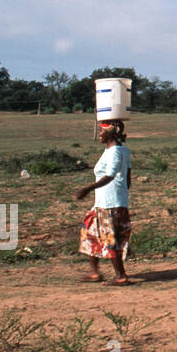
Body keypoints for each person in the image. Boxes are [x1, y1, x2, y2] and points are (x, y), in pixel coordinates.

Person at [75, 119, 132, 286]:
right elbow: (127, 179)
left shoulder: (114, 151)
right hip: (108, 201)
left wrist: (87, 188)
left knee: (109, 238)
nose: (99, 134)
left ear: (111, 133)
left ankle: (121, 276)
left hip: (110, 203)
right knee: (89, 230)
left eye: (102, 131)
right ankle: (94, 272)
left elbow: (110, 175)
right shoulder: (122, 150)